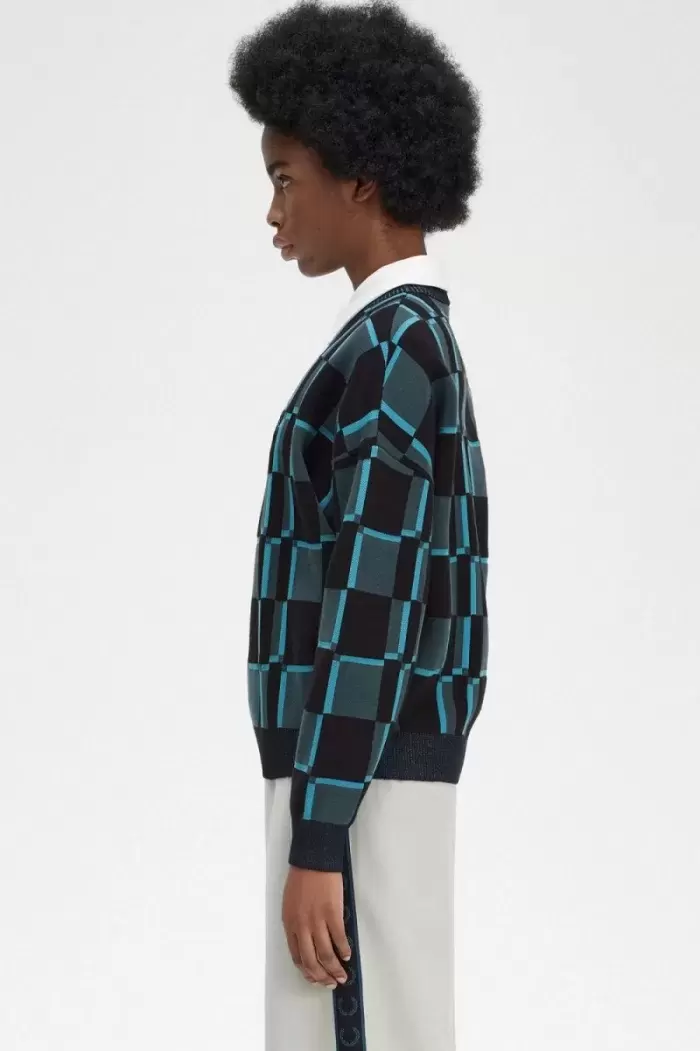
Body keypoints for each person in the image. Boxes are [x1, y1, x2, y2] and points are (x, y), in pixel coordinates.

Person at [228, 2, 488, 1048]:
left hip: (359, 777)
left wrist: (320, 827)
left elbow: (373, 603)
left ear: (362, 179)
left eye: (285, 178)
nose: (273, 211)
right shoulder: (399, 344)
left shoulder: (389, 353)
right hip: (361, 768)